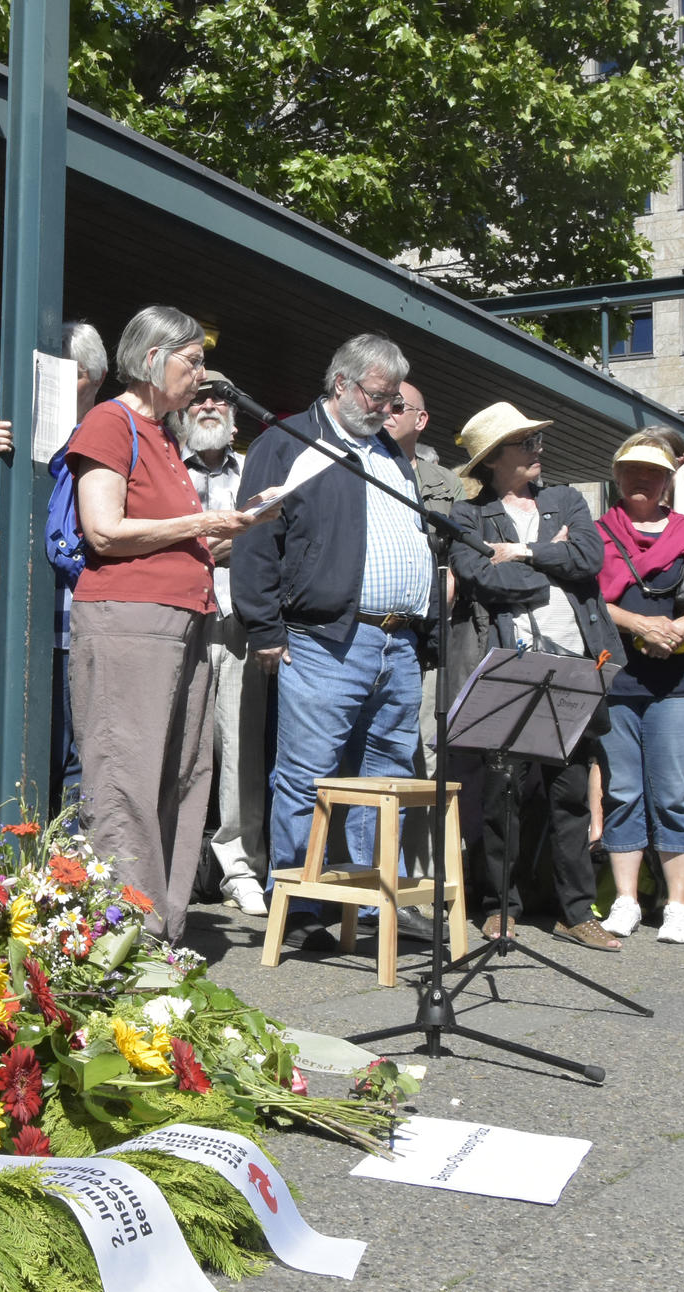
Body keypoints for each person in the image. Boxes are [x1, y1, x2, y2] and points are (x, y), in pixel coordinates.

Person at [68, 307, 261, 942]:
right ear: (152, 359)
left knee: (183, 775)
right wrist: (205, 523)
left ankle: (162, 929)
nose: (202, 374)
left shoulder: (165, 437)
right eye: (193, 359)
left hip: (186, 621)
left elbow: (168, 537)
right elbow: (103, 531)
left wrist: (228, 534)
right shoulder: (109, 421)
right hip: (130, 622)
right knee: (128, 776)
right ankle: (124, 936)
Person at [232, 333, 428, 950]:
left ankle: (373, 904)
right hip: (324, 639)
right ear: (341, 384)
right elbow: (254, 540)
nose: (387, 409)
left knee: (386, 775)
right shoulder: (289, 443)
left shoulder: (388, 453)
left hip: (397, 642)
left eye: (395, 400)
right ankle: (301, 902)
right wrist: (263, 627)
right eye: (378, 395)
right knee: (307, 777)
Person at [448, 402, 624, 951]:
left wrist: (522, 552)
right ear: (495, 459)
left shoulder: (567, 498)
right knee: (504, 790)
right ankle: (500, 905)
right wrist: (548, 572)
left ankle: (575, 909)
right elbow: (477, 575)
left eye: (535, 441)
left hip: (575, 661)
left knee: (570, 791)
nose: (537, 450)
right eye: (525, 443)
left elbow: (590, 559)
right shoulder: (468, 514)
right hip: (512, 663)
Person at [594, 427, 684, 946]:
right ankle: (626, 901)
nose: (641, 479)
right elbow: (588, 602)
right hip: (617, 678)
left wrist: (678, 628)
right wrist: (640, 625)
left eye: (653, 472)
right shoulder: (597, 532)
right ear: (616, 477)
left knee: (676, 791)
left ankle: (678, 905)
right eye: (631, 470)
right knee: (622, 791)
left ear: (667, 480)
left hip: (679, 680)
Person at [0, 320, 109, 814]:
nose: (52, 387)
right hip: (32, 635)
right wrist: (0, 466)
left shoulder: (112, 441)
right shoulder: (16, 440)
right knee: (26, 762)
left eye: (67, 374)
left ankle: (73, 878)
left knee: (85, 765)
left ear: (94, 378)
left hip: (91, 629)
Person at [169, 371, 270, 915]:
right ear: (181, 411)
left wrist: (239, 542)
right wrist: (217, 542)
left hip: (238, 623)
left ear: (233, 419)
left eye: (220, 399)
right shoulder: (165, 467)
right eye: (198, 397)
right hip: (179, 619)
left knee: (240, 750)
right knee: (177, 745)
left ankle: (238, 866)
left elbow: (268, 539)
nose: (209, 405)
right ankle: (174, 864)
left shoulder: (251, 473)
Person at [388, 384, 455, 943]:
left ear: (422, 418)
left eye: (398, 406)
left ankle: (414, 885)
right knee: (368, 767)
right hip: (365, 637)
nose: (387, 413)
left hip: (426, 642)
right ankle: (358, 887)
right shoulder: (354, 462)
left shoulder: (445, 486)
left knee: (420, 762)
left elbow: (457, 558)